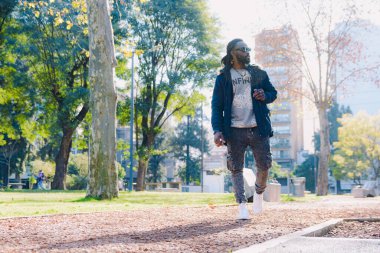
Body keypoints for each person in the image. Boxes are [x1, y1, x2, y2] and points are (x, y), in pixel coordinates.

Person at [211, 38, 277, 219]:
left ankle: (258, 194)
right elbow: (216, 106)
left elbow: (273, 93)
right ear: (232, 52)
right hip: (234, 129)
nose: (247, 52)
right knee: (236, 169)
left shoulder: (258, 73)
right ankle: (241, 206)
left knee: (264, 165)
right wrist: (217, 130)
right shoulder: (223, 78)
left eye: (248, 49)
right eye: (243, 49)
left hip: (258, 127)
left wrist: (265, 95)